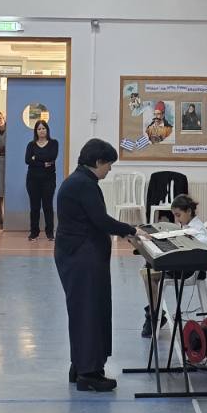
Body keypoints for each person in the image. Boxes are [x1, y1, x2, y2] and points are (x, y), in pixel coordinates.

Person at [54, 138, 138, 392]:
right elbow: (100, 220)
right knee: (89, 311)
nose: (110, 169)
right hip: (82, 256)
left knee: (84, 310)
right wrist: (131, 230)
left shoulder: (79, 180)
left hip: (78, 254)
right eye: (108, 164)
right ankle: (88, 374)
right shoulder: (84, 184)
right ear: (98, 161)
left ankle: (81, 364)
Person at [24, 120, 60, 241]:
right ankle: (34, 232)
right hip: (32, 180)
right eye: (39, 129)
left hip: (49, 180)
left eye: (43, 128)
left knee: (47, 206)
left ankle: (50, 233)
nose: (41, 131)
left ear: (47, 130)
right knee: (34, 207)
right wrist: (43, 163)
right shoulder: (31, 145)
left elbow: (52, 157)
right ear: (36, 131)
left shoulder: (54, 143)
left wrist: (36, 158)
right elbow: (27, 160)